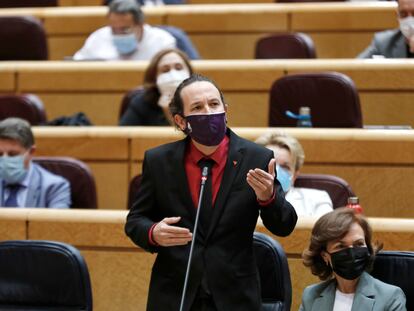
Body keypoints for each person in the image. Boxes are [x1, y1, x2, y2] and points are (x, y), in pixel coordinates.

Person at [125, 74, 297, 311]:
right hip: (176, 293)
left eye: (214, 104)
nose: (208, 112)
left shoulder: (257, 157)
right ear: (181, 121)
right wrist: (154, 232)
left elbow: (284, 225)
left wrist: (268, 198)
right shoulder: (158, 161)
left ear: (225, 110)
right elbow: (135, 221)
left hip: (235, 296)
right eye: (197, 107)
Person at [300, 208, 406, 311]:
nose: (351, 253)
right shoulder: (311, 296)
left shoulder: (390, 297)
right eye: (341, 246)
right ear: (325, 256)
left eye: (358, 244)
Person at [256, 132, 333, 217]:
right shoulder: (240, 198)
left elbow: (328, 228)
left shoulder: (317, 199)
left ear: (295, 175)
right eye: (270, 164)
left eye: (285, 167)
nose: (275, 171)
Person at [0, 118, 71, 208]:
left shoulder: (55, 187)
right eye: (0, 154)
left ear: (31, 152)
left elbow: (57, 222)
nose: (5, 159)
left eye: (13, 154)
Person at [73, 0, 176, 61]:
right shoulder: (98, 38)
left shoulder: (163, 42)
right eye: (114, 30)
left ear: (141, 25)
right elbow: (77, 67)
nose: (119, 34)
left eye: (125, 29)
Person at [119, 48, 193, 126]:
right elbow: (122, 136)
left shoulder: (203, 100)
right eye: (165, 70)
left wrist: (170, 116)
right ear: (154, 78)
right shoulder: (142, 103)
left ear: (190, 74)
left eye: (179, 68)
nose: (173, 74)